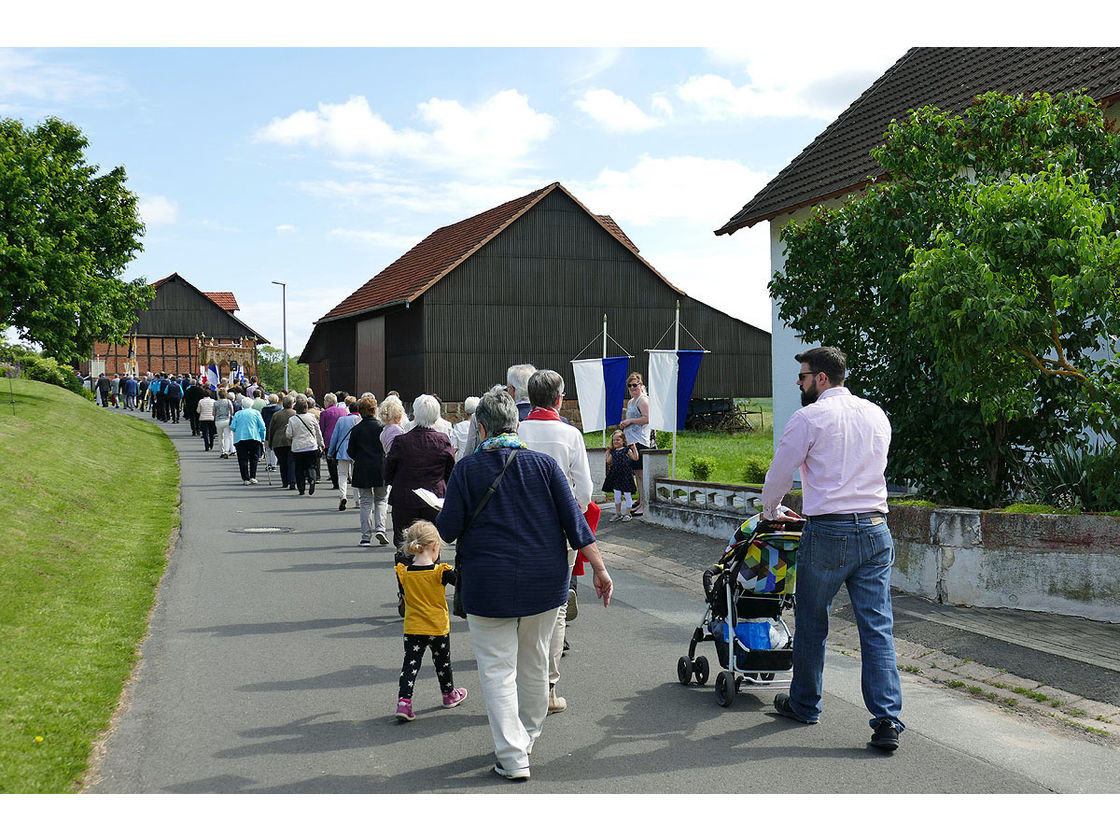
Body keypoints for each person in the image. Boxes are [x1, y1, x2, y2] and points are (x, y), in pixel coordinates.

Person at [437, 386, 613, 781]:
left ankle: (514, 754)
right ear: (515, 425)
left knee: (497, 671)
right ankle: (526, 737)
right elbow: (577, 524)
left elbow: (447, 532)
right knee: (534, 661)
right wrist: (600, 570)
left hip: (487, 585)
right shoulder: (546, 466)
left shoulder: (466, 470)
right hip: (544, 582)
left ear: (481, 429)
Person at [762, 346, 903, 752]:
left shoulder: (809, 418)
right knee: (877, 627)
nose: (800, 384)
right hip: (876, 528)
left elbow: (780, 473)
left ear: (821, 378)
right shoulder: (876, 414)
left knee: (812, 620)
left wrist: (771, 511)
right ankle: (887, 720)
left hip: (829, 532)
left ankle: (805, 704)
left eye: (803, 377)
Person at [517, 369, 594, 715]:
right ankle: (548, 689)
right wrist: (572, 511)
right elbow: (587, 489)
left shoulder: (516, 430)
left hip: (518, 528)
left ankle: (522, 686)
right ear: (560, 398)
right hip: (559, 532)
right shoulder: (570, 434)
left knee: (521, 608)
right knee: (557, 608)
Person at [392, 520, 468, 722]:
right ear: (435, 547)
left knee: (410, 665)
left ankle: (404, 703)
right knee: (443, 663)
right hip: (437, 627)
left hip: (413, 627)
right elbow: (461, 582)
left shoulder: (404, 573)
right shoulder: (440, 571)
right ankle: (449, 694)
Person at [384, 394, 456, 568]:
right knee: (432, 545)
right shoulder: (443, 440)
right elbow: (450, 471)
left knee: (404, 547)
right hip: (434, 499)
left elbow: (388, 471)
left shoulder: (401, 441)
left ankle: (405, 588)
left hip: (405, 499)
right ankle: (431, 584)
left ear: (415, 413)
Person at [349, 396, 389, 546]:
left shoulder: (356, 429)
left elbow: (350, 451)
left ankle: (365, 536)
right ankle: (381, 529)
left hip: (362, 468)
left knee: (365, 502)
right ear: (374, 410)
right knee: (381, 500)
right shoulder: (381, 427)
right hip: (380, 467)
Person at [619, 372, 652, 515]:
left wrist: (631, 421)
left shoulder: (643, 400)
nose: (632, 388)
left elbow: (647, 418)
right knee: (637, 474)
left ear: (640, 385)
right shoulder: (632, 401)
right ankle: (640, 500)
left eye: (635, 385)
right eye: (630, 385)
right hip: (632, 441)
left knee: (641, 474)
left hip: (640, 441)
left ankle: (645, 504)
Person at [287, 394, 325, 495]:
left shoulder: (292, 419)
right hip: (311, 446)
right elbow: (318, 432)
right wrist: (321, 443)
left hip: (297, 447)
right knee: (311, 466)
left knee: (299, 469)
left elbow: (288, 434)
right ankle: (312, 479)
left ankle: (301, 488)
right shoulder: (312, 417)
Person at [327, 397, 361, 511]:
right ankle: (357, 500)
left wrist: (330, 452)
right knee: (357, 476)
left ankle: (343, 495)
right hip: (357, 452)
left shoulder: (341, 420)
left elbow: (334, 437)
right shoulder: (360, 420)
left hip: (342, 451)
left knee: (342, 474)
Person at [602, 429, 639, 521]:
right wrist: (608, 452)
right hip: (616, 475)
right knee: (617, 495)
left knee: (627, 494)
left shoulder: (626, 450)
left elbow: (635, 458)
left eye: (618, 440)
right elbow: (608, 461)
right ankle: (618, 513)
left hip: (625, 475)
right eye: (614, 440)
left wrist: (634, 448)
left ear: (623, 441)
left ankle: (628, 513)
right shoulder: (613, 452)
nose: (616, 442)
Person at [231, 396, 267, 485]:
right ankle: (253, 477)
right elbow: (262, 427)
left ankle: (245, 478)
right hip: (254, 438)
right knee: (254, 458)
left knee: (242, 459)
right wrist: (262, 438)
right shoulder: (256, 413)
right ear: (252, 404)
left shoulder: (238, 414)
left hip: (240, 439)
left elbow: (232, 427)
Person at [319, 392, 349, 490]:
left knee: (330, 462)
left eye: (324, 401)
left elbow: (322, 428)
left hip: (329, 439)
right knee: (341, 461)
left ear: (328, 401)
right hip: (342, 439)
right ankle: (343, 479)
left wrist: (321, 441)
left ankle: (335, 482)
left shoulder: (324, 413)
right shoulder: (343, 411)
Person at [268, 394, 297, 488]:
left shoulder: (276, 414)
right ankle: (292, 481)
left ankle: (285, 481)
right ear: (292, 404)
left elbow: (271, 429)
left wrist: (270, 442)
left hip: (278, 441)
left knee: (282, 462)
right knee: (292, 461)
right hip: (291, 441)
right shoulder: (295, 414)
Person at [450, 396, 479, 462]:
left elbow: (454, 448)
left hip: (461, 461)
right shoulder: (480, 427)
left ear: (465, 411)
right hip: (477, 461)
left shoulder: (458, 427)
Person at [260, 393, 282, 472]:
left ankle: (268, 463)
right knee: (274, 448)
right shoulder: (279, 409)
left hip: (266, 430)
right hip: (275, 430)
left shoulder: (264, 409)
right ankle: (273, 465)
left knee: (267, 448)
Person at [213, 388, 236, 458]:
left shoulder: (215, 403)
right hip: (226, 420)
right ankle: (226, 451)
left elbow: (213, 413)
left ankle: (221, 451)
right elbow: (232, 411)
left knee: (220, 437)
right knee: (227, 436)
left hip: (218, 420)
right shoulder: (228, 402)